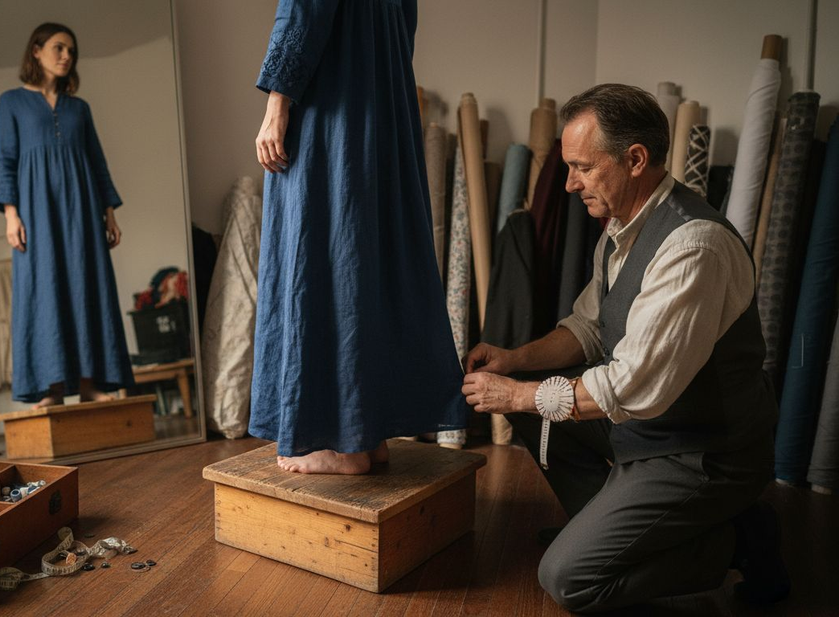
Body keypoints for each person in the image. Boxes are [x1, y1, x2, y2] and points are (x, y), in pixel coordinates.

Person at [461, 84, 790, 612]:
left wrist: (518, 395)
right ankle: (616, 531)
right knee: (533, 412)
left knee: (567, 580)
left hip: (700, 450)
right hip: (647, 425)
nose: (569, 184)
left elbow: (632, 386)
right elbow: (589, 327)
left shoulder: (693, 247)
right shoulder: (620, 228)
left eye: (583, 167)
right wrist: (513, 362)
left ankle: (741, 541)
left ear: (635, 159)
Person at [251, 0, 467, 474]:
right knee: (366, 250)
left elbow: (303, 12)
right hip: (381, 108)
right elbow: (403, 29)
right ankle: (369, 434)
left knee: (323, 248)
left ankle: (340, 444)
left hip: (332, 112)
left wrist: (277, 103)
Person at [0, 22, 134, 408]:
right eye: (58, 47)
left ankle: (89, 384)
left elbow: (98, 162)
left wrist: (109, 214)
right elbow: (6, 161)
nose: (67, 55)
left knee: (87, 285)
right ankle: (52, 389)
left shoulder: (79, 109)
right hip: (36, 214)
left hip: (83, 211)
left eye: (71, 50)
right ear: (36, 51)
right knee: (44, 291)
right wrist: (10, 215)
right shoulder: (12, 103)